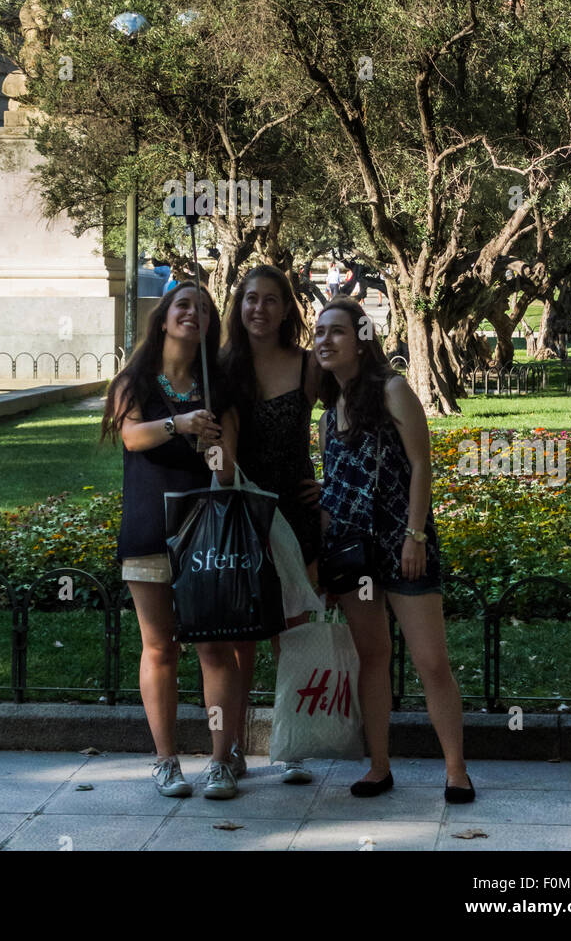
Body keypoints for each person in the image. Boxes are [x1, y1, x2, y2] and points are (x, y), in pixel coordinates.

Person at [314, 297, 474, 804]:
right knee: (372, 658)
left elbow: (421, 466)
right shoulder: (327, 412)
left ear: (362, 340)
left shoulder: (393, 390)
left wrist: (416, 535)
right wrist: (320, 560)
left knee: (431, 661)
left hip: (402, 544)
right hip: (351, 555)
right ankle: (378, 767)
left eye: (336, 331)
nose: (324, 340)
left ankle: (456, 771)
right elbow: (332, 490)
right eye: (319, 332)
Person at [102, 282, 242, 800]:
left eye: (204, 310)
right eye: (184, 305)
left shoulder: (217, 387)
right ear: (163, 318)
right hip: (147, 531)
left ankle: (221, 760)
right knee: (160, 647)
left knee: (213, 647)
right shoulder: (134, 382)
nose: (194, 314)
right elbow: (133, 437)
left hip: (205, 535)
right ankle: (165, 761)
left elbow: (227, 473)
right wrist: (179, 424)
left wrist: (214, 447)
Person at [219, 264, 322, 786]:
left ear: (286, 309)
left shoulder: (308, 366)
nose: (258, 308)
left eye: (270, 300)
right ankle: (232, 749)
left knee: (294, 635)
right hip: (244, 516)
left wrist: (335, 485)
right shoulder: (225, 369)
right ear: (240, 307)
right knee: (242, 643)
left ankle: (292, 745)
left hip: (298, 515)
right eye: (250, 299)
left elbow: (352, 419)